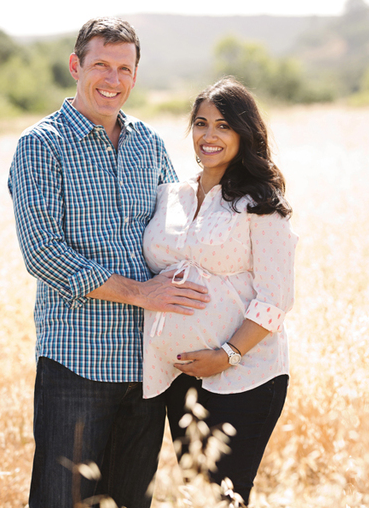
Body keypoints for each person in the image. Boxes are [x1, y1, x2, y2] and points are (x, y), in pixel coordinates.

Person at [7, 17, 210, 508]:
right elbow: (42, 253)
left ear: (135, 76)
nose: (112, 79)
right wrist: (142, 292)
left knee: (129, 502)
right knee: (63, 500)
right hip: (77, 362)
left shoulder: (148, 144)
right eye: (101, 65)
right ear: (76, 66)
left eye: (124, 68)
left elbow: (180, 230)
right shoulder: (41, 145)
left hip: (147, 365)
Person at [141, 76, 298, 506]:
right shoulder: (170, 195)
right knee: (199, 496)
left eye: (224, 126)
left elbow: (276, 300)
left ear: (244, 134)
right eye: (201, 123)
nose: (209, 135)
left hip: (244, 376)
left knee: (226, 499)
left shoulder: (260, 204)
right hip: (178, 376)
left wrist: (226, 355)